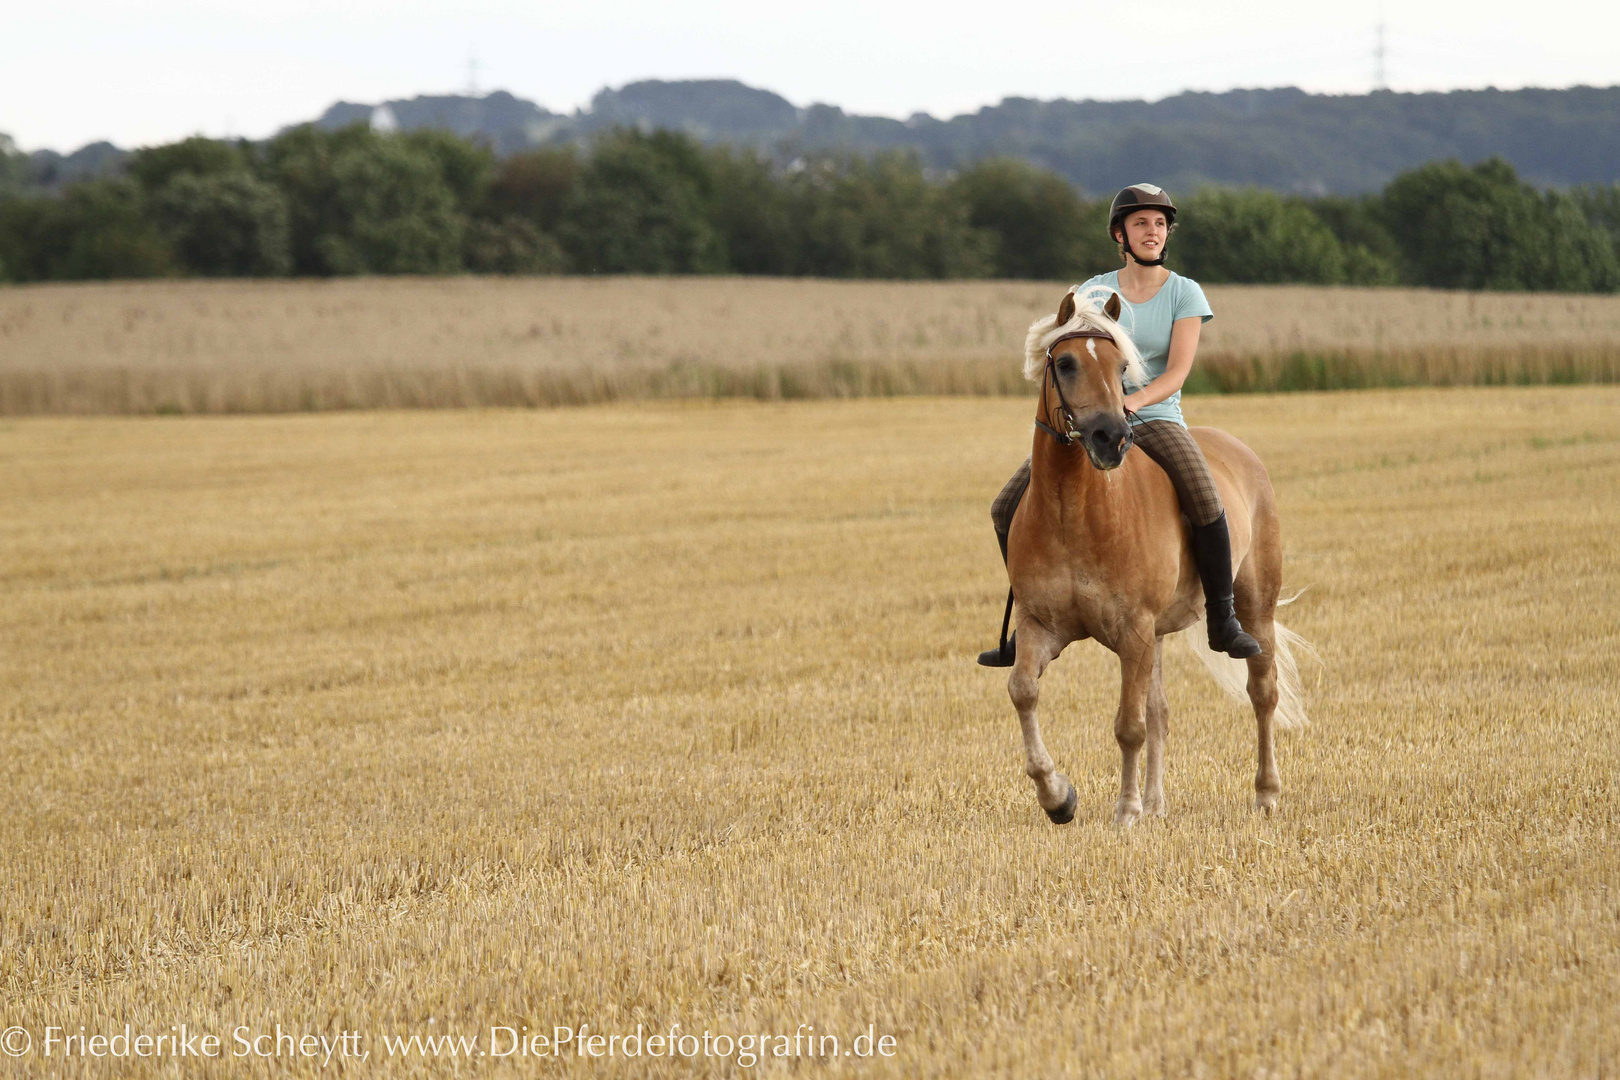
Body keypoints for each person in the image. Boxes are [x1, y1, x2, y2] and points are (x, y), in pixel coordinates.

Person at [977, 183, 1262, 667]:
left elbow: (1177, 372)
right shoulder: (1092, 291)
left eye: (1159, 223)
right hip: (1092, 422)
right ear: (1120, 234)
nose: (1151, 232)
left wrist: (1131, 403)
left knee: (1205, 497)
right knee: (1006, 505)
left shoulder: (1184, 292)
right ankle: (1024, 622)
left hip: (1156, 419)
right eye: (1140, 223)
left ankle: (1222, 616)